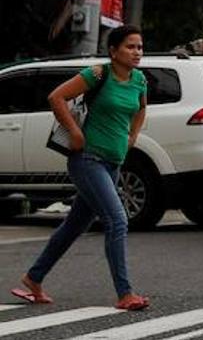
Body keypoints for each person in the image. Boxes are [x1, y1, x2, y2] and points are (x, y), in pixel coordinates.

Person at [14, 25, 150, 310]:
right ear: (114, 51)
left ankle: (33, 278)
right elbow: (57, 97)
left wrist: (132, 137)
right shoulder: (99, 73)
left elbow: (140, 109)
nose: (136, 52)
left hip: (113, 162)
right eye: (130, 46)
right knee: (117, 220)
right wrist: (75, 132)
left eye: (139, 47)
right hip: (87, 159)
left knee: (75, 225)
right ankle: (125, 293)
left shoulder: (139, 80)